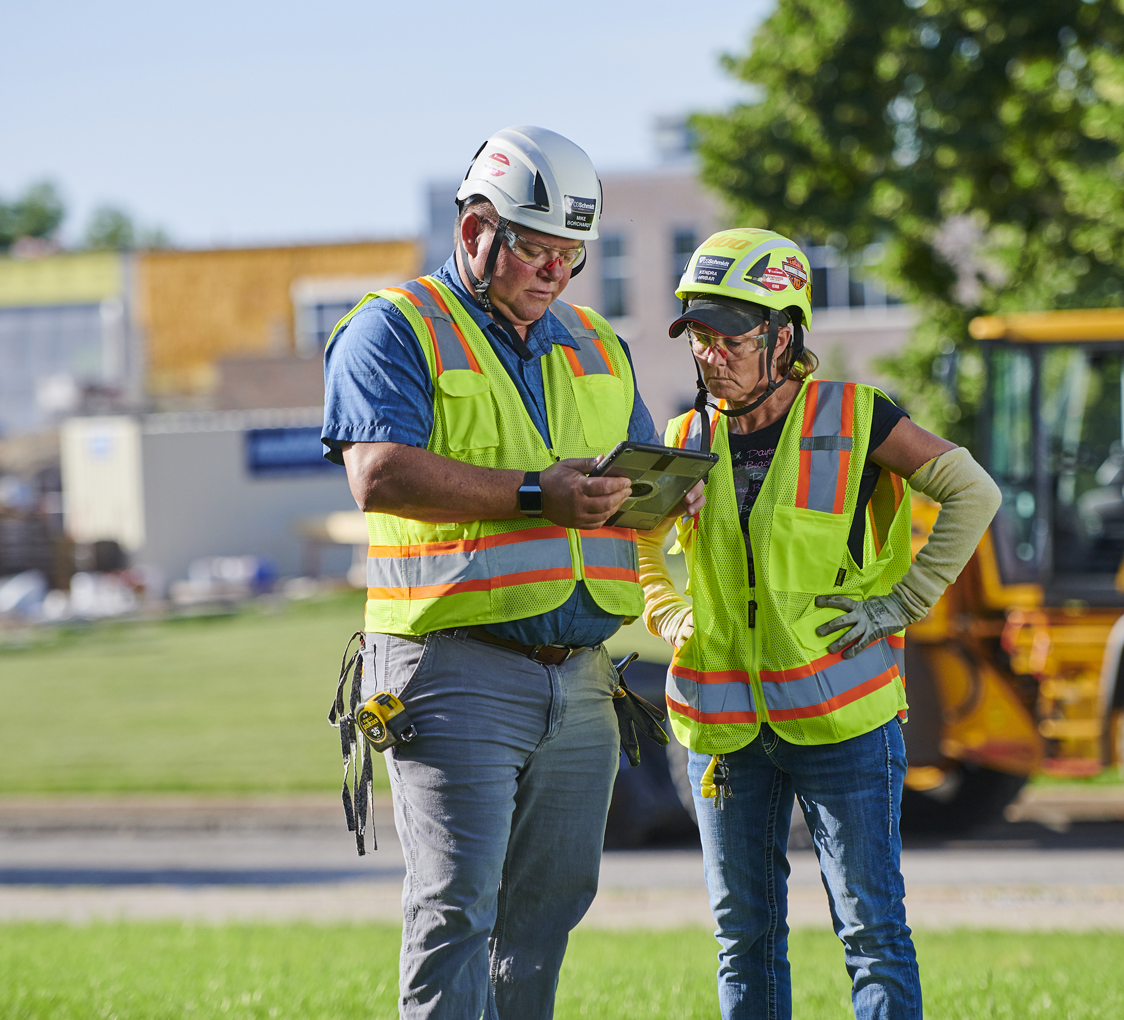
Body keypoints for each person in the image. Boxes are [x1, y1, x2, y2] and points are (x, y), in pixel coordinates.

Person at [322, 125, 692, 1020]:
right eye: (535, 247)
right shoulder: (393, 327)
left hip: (583, 676)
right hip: (452, 670)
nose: (555, 270)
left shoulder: (599, 343)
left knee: (546, 911)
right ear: (474, 226)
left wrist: (661, 496)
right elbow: (380, 473)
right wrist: (538, 494)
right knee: (456, 908)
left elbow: (612, 478)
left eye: (571, 253)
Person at [639, 228, 1002, 1020]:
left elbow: (973, 492)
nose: (712, 354)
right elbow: (638, 534)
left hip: (845, 725)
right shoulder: (684, 439)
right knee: (744, 938)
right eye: (699, 335)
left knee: (871, 933)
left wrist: (902, 604)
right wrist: (665, 608)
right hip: (724, 731)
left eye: (730, 336)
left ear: (783, 334)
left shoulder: (857, 418)